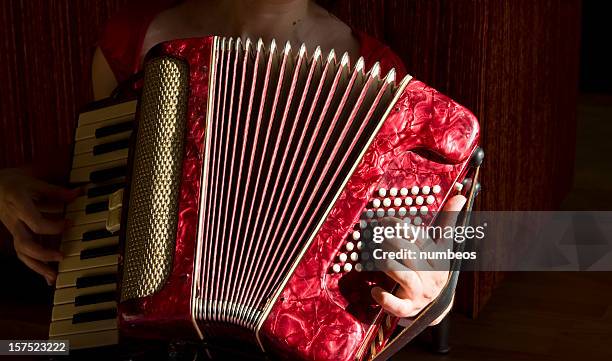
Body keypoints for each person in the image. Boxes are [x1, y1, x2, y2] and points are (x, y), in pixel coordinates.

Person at [0, 0, 464, 325]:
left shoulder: (379, 80)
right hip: (138, 323)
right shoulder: (133, 37)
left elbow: (403, 255)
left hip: (296, 335)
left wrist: (432, 293)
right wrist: (12, 189)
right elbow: (101, 184)